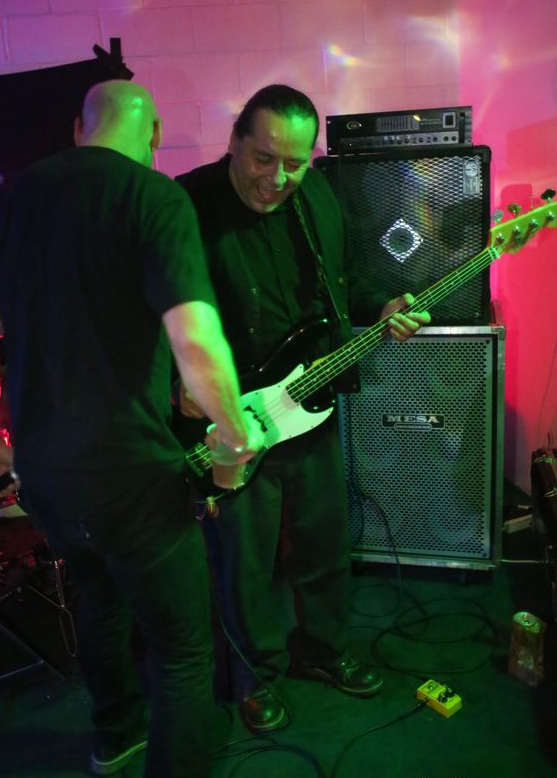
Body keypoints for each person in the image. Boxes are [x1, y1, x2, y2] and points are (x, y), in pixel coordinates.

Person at [0, 80, 262, 778]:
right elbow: (196, 339)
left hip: (47, 475)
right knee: (183, 650)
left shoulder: (8, 198)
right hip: (133, 477)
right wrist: (234, 436)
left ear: (78, 128)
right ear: (153, 135)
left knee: (98, 598)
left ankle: (115, 733)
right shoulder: (155, 198)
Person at [176, 84, 431, 734]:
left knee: (324, 540)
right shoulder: (186, 204)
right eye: (264, 159)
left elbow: (342, 282)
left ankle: (321, 650)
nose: (278, 178)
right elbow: (150, 306)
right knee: (246, 559)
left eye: (294, 163)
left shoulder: (316, 194)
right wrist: (177, 382)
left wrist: (382, 305)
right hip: (234, 418)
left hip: (311, 403)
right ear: (234, 141)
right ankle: (254, 676)